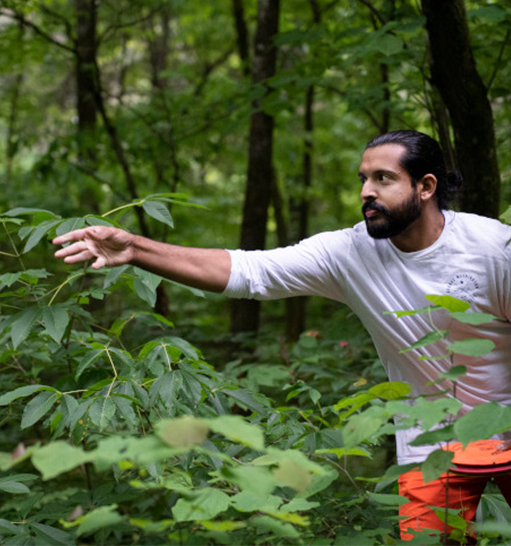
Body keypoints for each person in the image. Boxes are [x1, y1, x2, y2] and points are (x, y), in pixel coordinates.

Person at [53, 129, 511, 541]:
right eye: (363, 179)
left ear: (426, 186)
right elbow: (250, 272)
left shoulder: (491, 249)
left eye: (383, 179)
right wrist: (135, 248)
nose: (366, 192)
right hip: (433, 441)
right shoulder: (351, 251)